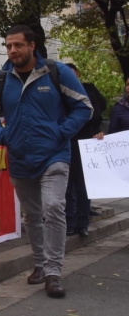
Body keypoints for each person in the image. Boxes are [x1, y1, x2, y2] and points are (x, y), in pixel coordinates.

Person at [0, 25, 92, 299]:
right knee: (31, 215)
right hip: (19, 157)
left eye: (18, 45)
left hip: (54, 155)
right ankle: (39, 265)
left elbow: (84, 107)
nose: (12, 51)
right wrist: (3, 136)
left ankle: (54, 272)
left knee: (53, 207)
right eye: (8, 46)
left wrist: (60, 132)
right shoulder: (2, 78)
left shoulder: (55, 72)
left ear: (32, 46)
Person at [63, 63, 106, 238]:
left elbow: (98, 112)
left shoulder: (88, 90)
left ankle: (82, 223)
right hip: (66, 143)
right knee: (67, 186)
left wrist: (98, 132)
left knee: (83, 186)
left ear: (78, 74)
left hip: (87, 143)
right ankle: (70, 222)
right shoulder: (60, 94)